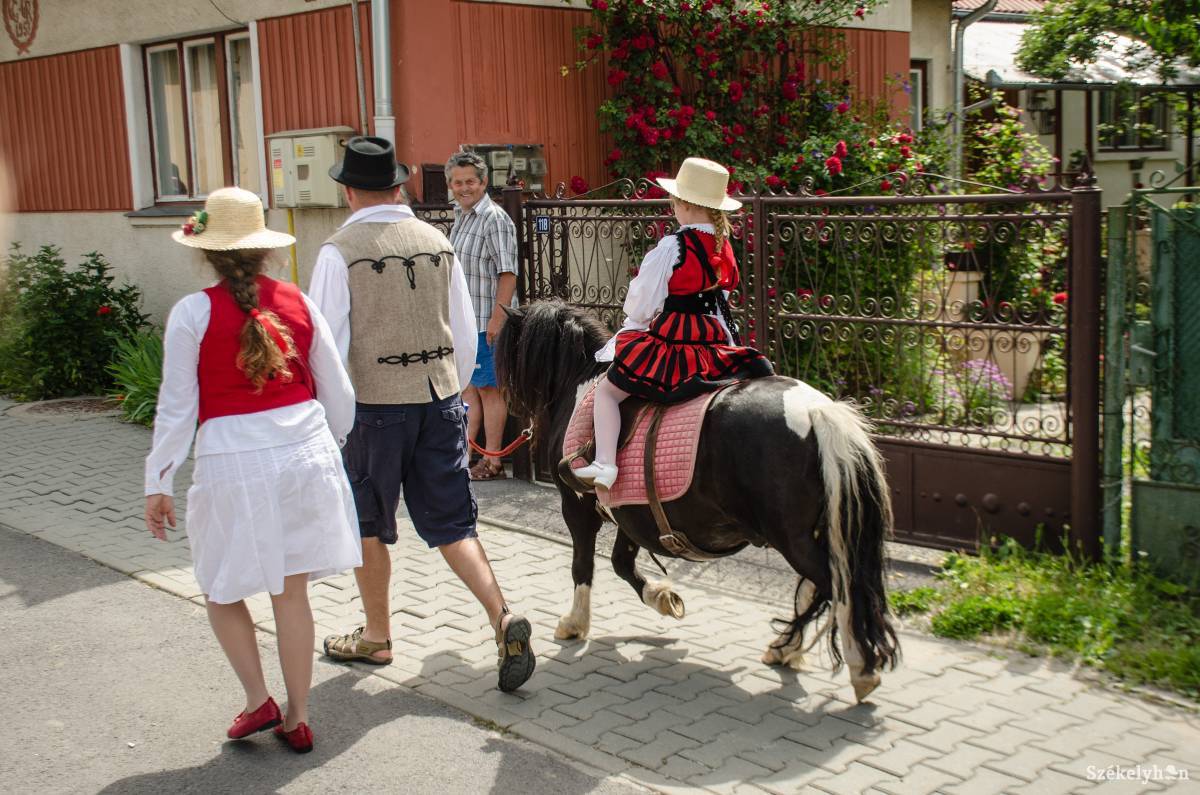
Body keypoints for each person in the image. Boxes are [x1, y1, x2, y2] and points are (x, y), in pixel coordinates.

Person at [310, 137, 535, 692]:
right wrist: (453, 395)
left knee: (368, 522)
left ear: (348, 191)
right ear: (400, 184)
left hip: (372, 407)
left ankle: (378, 636)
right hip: (438, 400)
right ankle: (502, 617)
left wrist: (330, 421)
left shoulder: (338, 252)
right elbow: (462, 331)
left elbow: (326, 348)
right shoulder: (438, 240)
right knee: (453, 523)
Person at [143, 187, 362, 753]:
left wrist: (158, 481)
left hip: (233, 458)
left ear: (207, 252)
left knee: (221, 586)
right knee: (292, 593)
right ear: (265, 251)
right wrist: (330, 446)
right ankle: (298, 715)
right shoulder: (298, 300)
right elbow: (338, 389)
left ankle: (256, 700)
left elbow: (177, 406)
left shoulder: (192, 313)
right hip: (303, 448)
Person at [574, 157, 774, 489]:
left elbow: (639, 305)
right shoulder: (723, 246)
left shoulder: (672, 247)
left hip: (674, 340)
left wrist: (637, 325)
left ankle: (605, 464)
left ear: (680, 203)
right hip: (713, 340)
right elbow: (721, 300)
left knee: (608, 392)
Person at [445, 150, 518, 481]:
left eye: (470, 181)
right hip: (464, 321)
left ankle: (493, 461)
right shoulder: (460, 216)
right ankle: (467, 455)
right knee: (469, 390)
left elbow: (507, 273)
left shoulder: (494, 218)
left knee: (490, 390)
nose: (464, 188)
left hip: (486, 321)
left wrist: (497, 319)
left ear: (484, 182)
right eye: (457, 182)